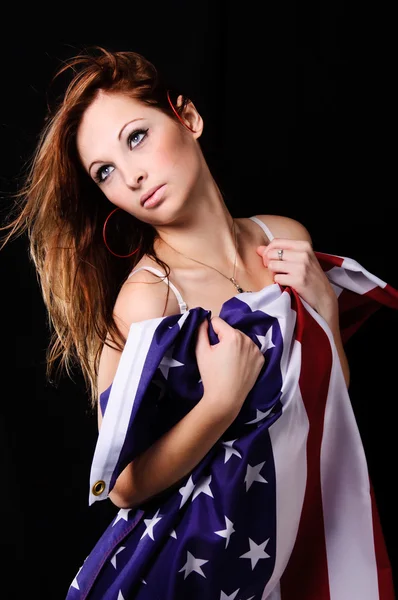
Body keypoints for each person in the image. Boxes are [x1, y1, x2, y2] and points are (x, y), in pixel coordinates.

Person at [1, 46, 396, 599]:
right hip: (199, 566)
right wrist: (218, 405)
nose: (133, 176)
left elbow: (327, 400)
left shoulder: (282, 237)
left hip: (296, 542)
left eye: (136, 137)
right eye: (106, 172)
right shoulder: (149, 297)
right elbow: (120, 486)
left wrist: (323, 312)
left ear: (187, 117)